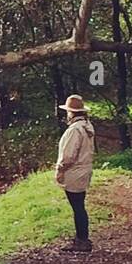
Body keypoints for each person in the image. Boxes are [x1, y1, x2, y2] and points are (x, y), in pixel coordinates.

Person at [54, 94, 95, 253]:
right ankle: (82, 238)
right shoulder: (86, 126)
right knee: (79, 205)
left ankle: (82, 240)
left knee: (77, 207)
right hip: (83, 170)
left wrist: (60, 168)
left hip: (74, 172)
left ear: (71, 112)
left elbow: (69, 155)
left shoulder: (74, 130)